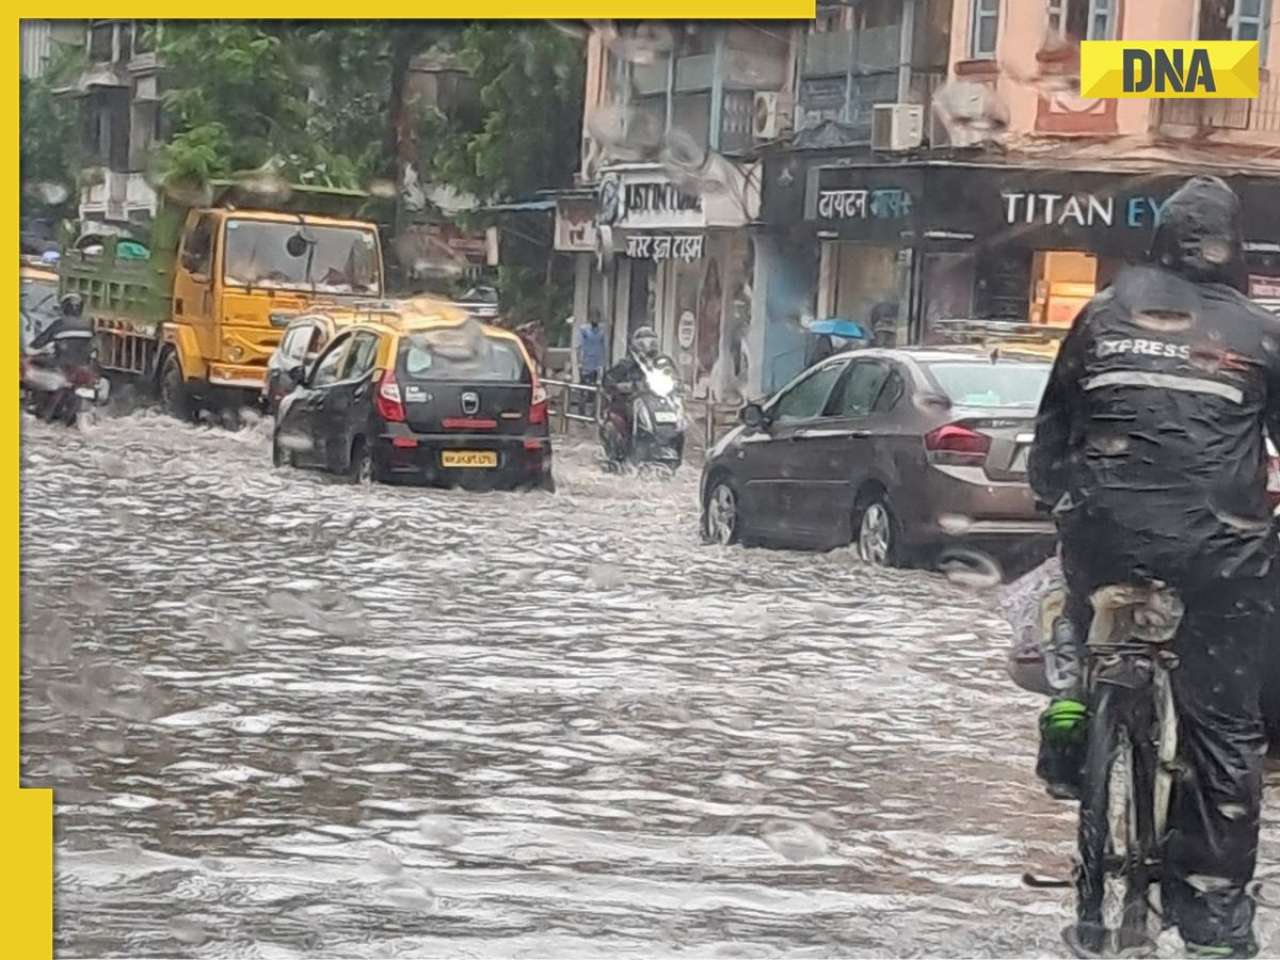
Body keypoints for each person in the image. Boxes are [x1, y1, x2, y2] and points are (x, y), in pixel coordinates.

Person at [1028, 175, 1280, 958]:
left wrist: (1059, 505)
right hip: (1219, 551)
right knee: (1226, 725)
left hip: (1104, 536)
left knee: (1074, 596)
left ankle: (1073, 710)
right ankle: (1213, 921)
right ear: (1232, 249)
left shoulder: (1100, 313)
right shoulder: (1259, 332)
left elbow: (1051, 439)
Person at [601, 326, 675, 459]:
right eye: (643, 345)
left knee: (678, 419)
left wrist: (680, 386)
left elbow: (675, 378)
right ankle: (626, 450)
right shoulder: (626, 364)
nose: (648, 351)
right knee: (625, 420)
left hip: (658, 401)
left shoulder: (664, 363)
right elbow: (608, 380)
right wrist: (624, 386)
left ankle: (672, 444)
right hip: (631, 401)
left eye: (652, 345)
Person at [576, 310, 607, 415]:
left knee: (596, 390)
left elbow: (603, 348)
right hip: (586, 363)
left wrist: (602, 364)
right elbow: (579, 347)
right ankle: (581, 413)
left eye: (597, 317)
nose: (595, 319)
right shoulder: (584, 330)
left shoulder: (601, 331)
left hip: (597, 364)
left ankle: (594, 414)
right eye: (593, 317)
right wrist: (579, 362)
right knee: (583, 391)